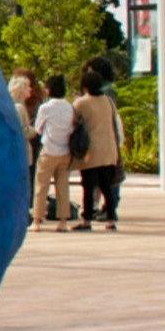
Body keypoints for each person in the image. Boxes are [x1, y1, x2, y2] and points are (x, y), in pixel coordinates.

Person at [74, 58, 127, 232]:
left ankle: (87, 220)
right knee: (107, 187)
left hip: (91, 152)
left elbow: (73, 123)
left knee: (88, 187)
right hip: (109, 150)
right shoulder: (108, 101)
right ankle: (111, 220)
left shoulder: (81, 103)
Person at [31, 77, 78, 233]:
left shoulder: (45, 108)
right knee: (63, 187)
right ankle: (63, 221)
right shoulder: (70, 107)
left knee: (41, 186)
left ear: (49, 90)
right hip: (66, 151)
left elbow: (37, 129)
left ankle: (37, 220)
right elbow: (72, 128)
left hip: (49, 150)